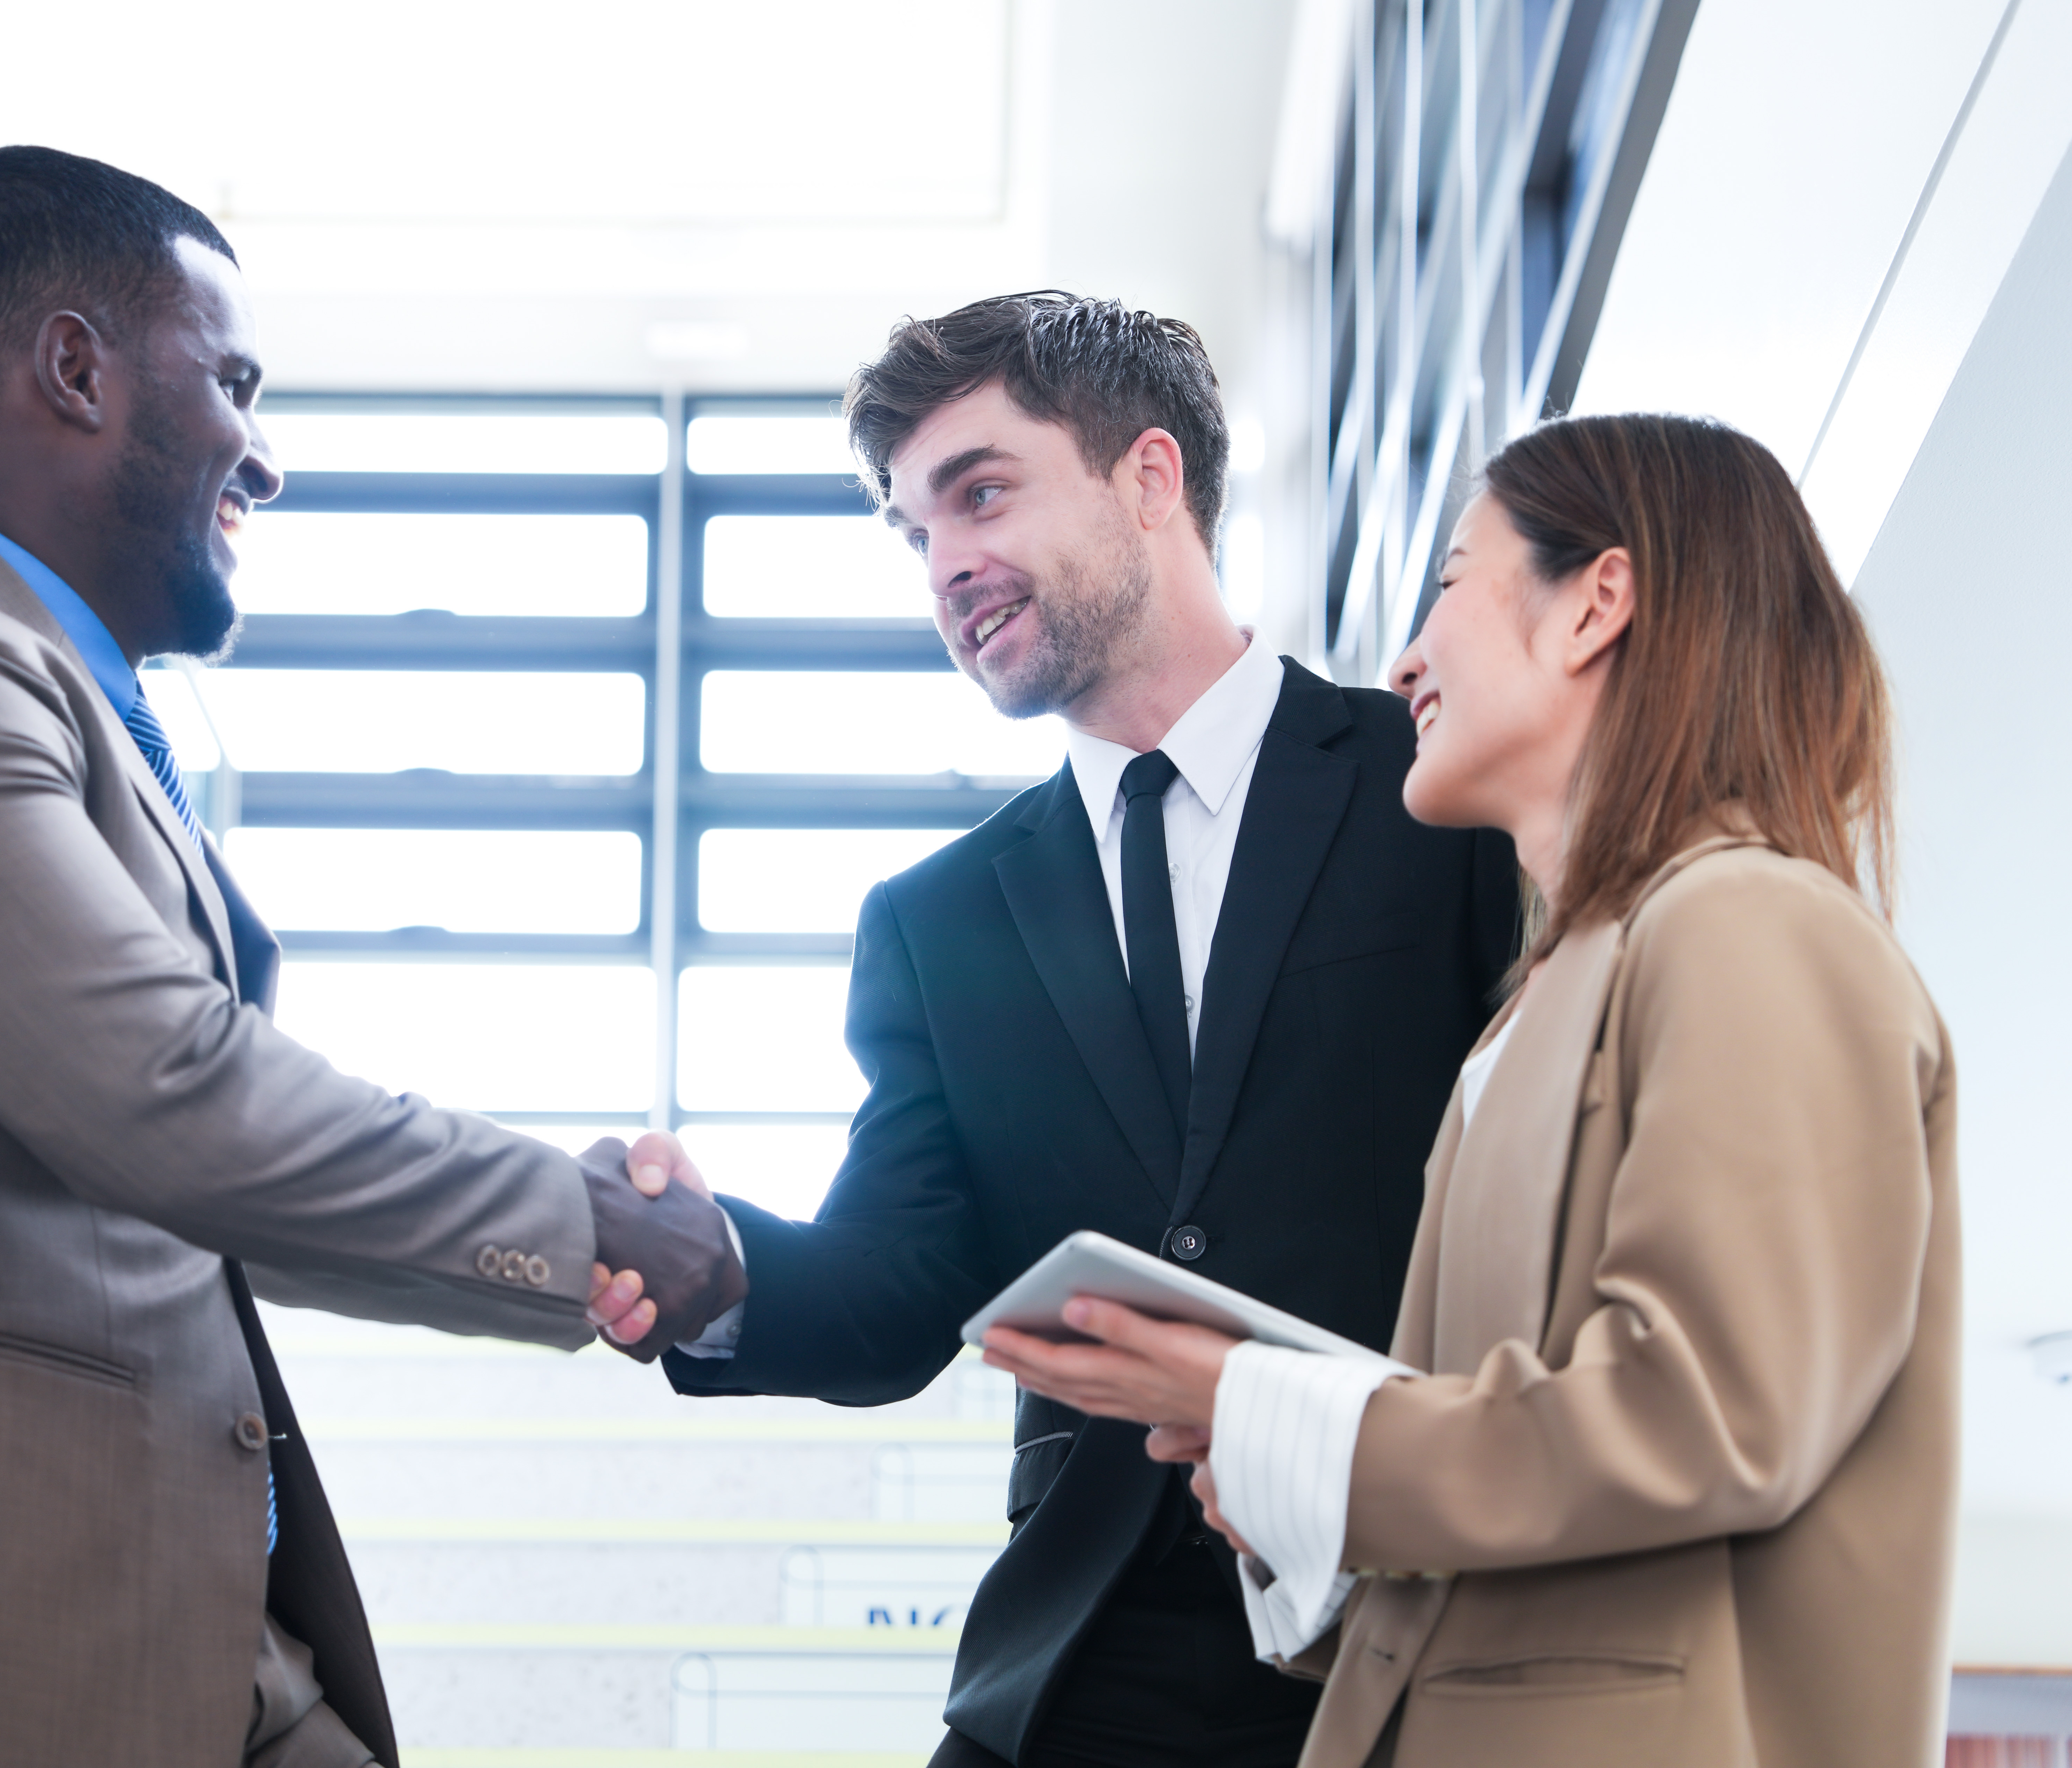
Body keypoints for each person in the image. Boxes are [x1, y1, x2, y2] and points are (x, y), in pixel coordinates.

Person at [0, 146, 738, 1768]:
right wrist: (574, 1213)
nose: (262, 457)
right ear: (74, 368)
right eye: (234, 382)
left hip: (180, 1637)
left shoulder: (60, 703)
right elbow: (160, 1088)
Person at [981, 412, 1956, 1768]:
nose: (1402, 658)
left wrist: (1269, 1405)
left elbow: (1705, 1417)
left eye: (1447, 584)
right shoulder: (1556, 994)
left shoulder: (1746, 924)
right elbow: (1529, 1499)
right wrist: (1273, 1484)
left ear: (1592, 605)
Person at [631, 293, 1521, 1768]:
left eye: (979, 492)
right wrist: (707, 1265)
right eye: (913, 534)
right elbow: (899, 1283)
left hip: (1401, 1618)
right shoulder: (939, 919)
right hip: (1079, 1657)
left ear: (1149, 480)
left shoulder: (1428, 788)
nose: (946, 567)